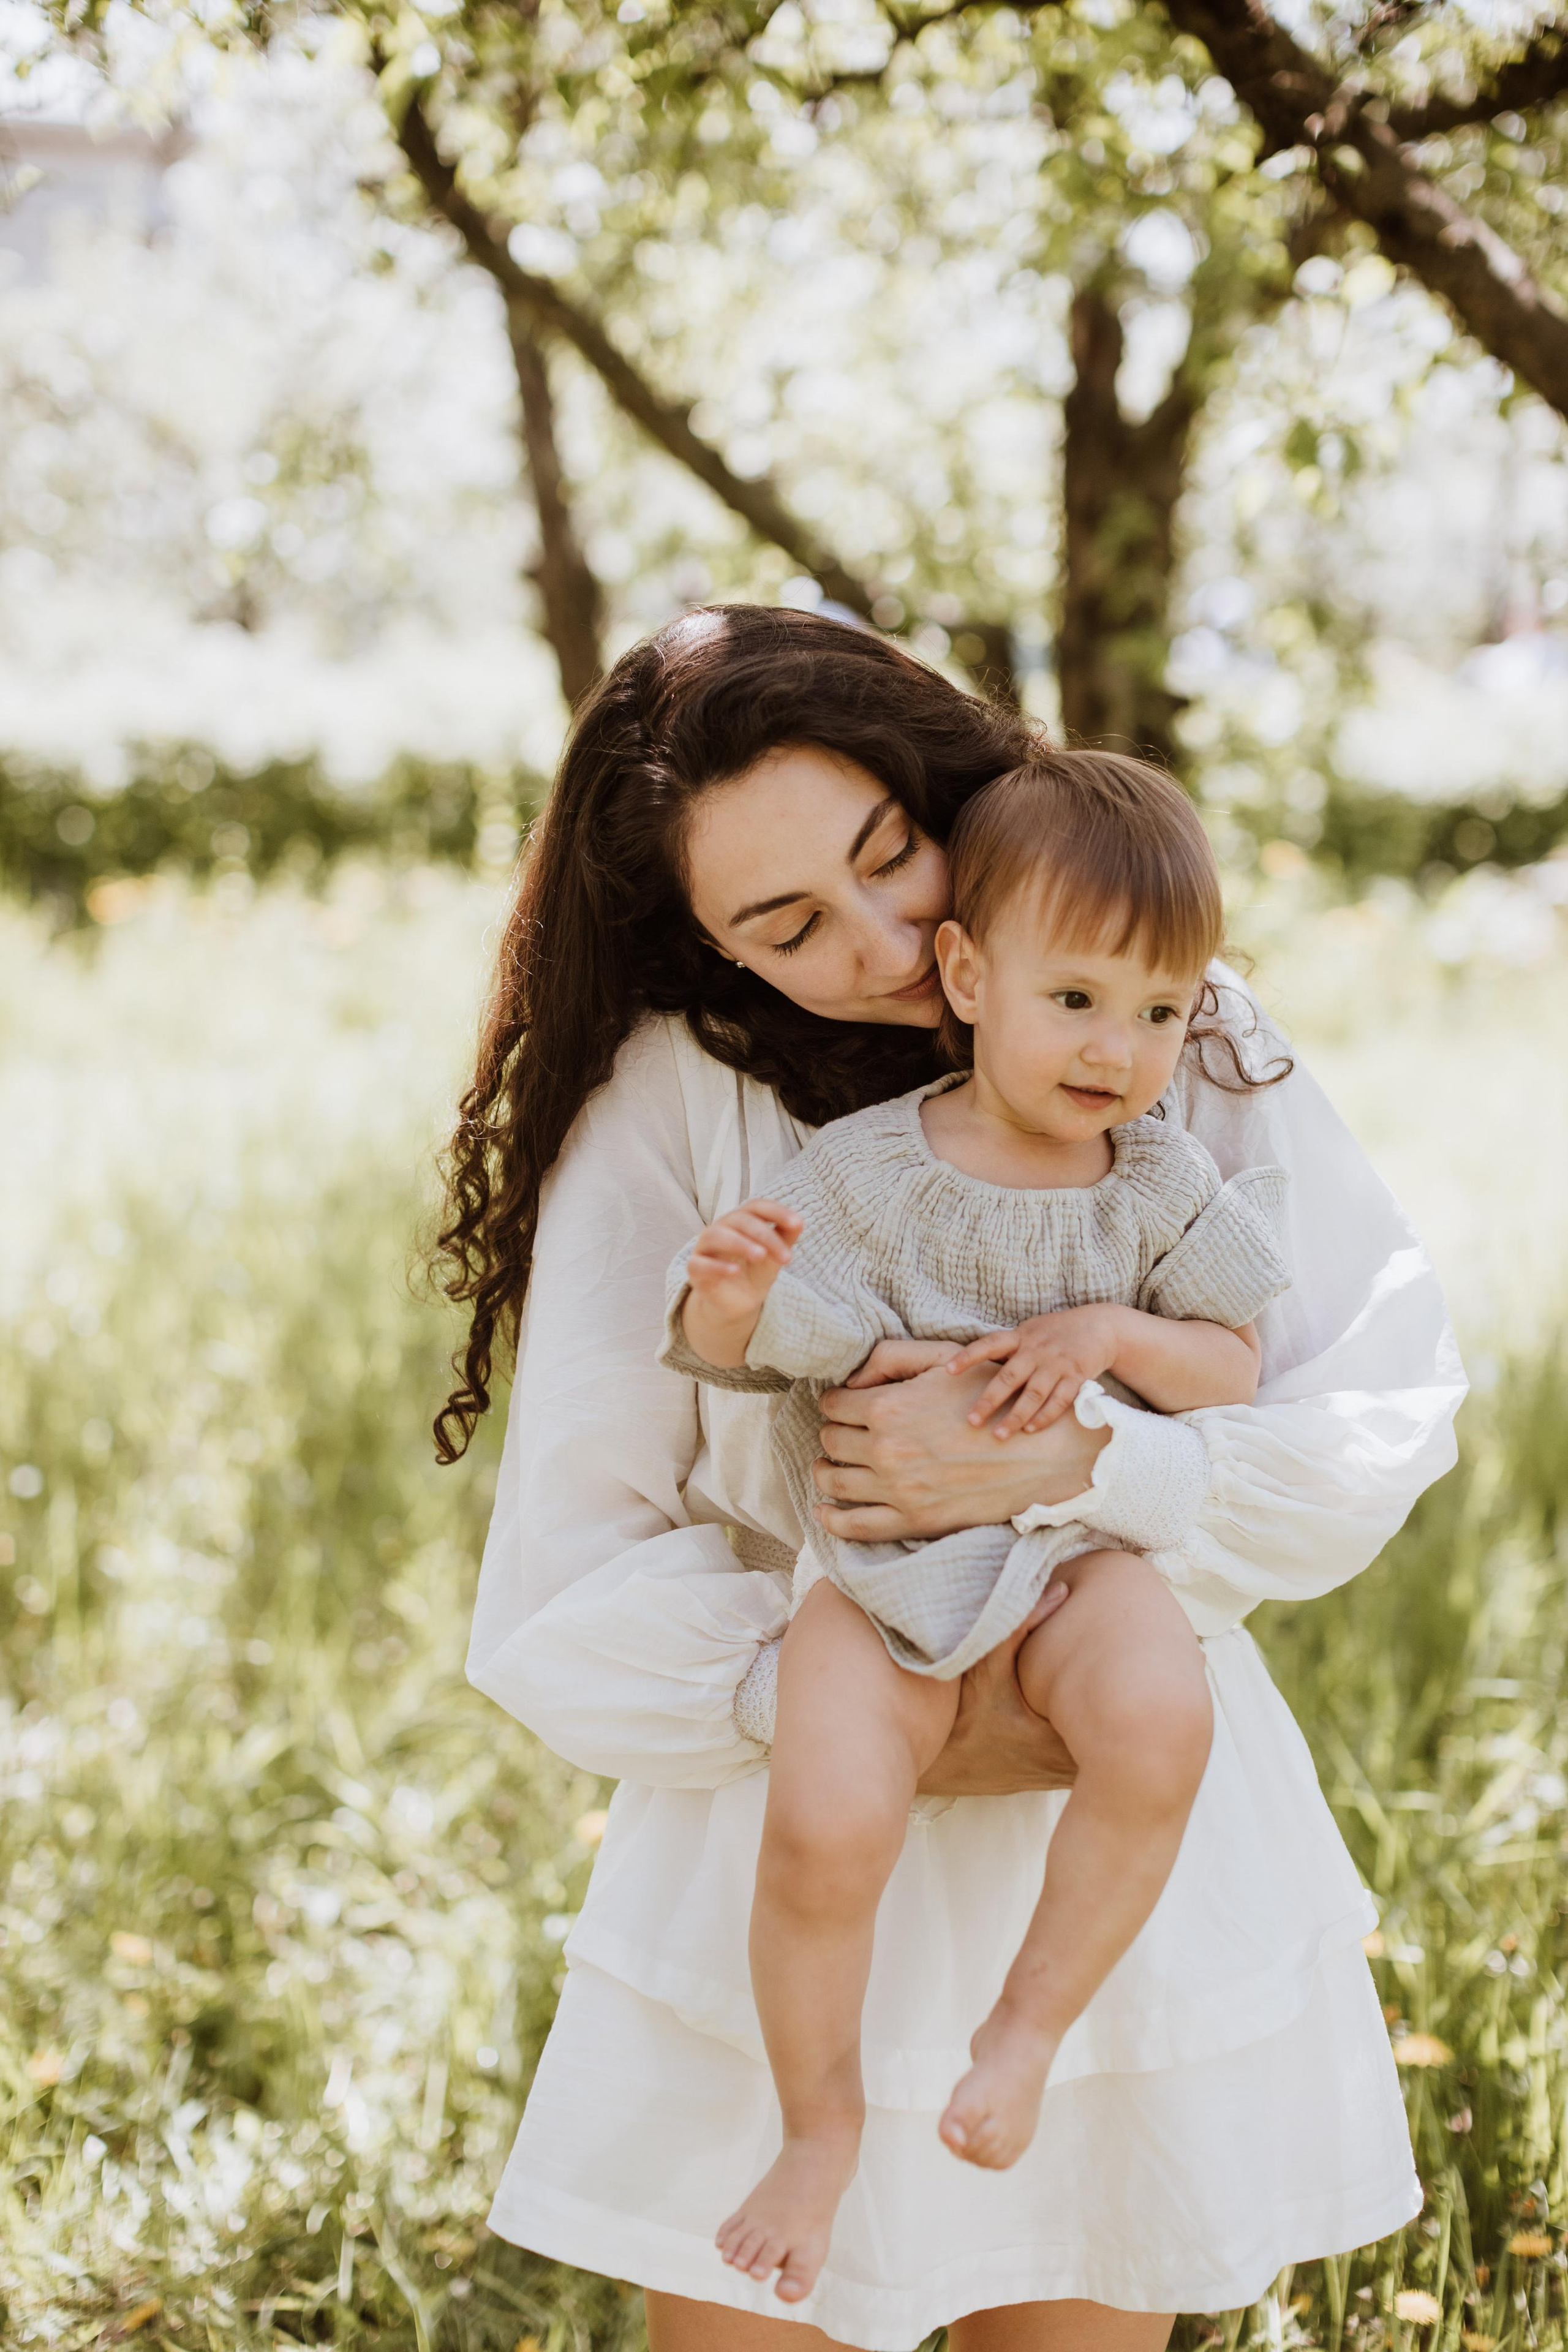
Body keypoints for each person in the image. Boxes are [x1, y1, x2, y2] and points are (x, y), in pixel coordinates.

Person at [442, 605, 1465, 2352]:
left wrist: (1081, 1461)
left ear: (935, 783)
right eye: (788, 925)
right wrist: (853, 1694)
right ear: (704, 949)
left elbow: (1362, 1412)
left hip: (1110, 1836)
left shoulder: (1171, 1032)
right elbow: (574, 1572)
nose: (886, 939)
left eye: (889, 856)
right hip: (801, 1845)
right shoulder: (682, 1101)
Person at [665, 752, 1291, 2299]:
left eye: (1158, 1014)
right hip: (880, 1573)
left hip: (1077, 1560)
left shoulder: (1157, 1186)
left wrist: (1109, 1337)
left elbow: (1231, 1361)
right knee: (821, 1818)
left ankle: (1025, 2027)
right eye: (1074, 1001)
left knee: (1159, 1721)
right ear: (966, 972)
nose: (1118, 1052)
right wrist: (730, 1291)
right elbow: (778, 1344)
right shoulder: (870, 1172)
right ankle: (817, 2130)